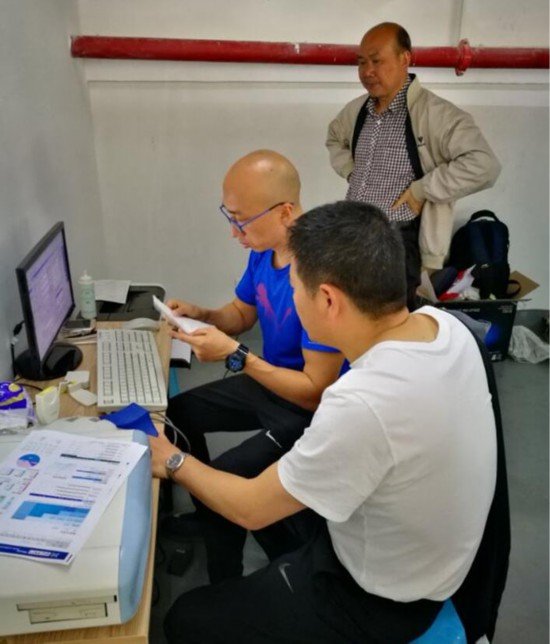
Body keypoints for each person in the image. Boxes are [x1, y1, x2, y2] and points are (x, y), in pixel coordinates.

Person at [149, 200, 498, 644]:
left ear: (329, 299)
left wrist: (171, 460)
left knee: (185, 618)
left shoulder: (362, 402)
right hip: (440, 559)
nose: (293, 298)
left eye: (296, 289)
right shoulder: (444, 326)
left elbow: (250, 507)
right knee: (261, 482)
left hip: (384, 601)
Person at [163, 149, 344, 582]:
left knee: (224, 478)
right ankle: (210, 515)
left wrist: (237, 356)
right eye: (230, 217)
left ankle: (226, 584)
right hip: (269, 380)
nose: (234, 232)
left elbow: (315, 392)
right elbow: (242, 314)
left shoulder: (320, 274)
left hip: (306, 405)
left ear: (285, 212)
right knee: (179, 413)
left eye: (241, 221)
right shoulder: (264, 251)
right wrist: (204, 315)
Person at [326, 22, 501, 309]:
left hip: (398, 240)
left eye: (376, 61)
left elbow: (484, 165)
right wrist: (352, 172)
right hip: (354, 233)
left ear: (405, 58)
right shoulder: (357, 111)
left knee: (392, 319)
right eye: (361, 62)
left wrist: (422, 189)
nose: (367, 71)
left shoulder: (438, 115)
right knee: (352, 313)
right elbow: (334, 138)